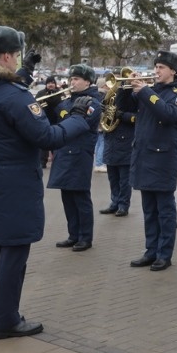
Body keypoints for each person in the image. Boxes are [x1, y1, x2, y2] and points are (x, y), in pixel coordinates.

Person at [0, 25, 92, 339]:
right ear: (6, 56)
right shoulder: (11, 95)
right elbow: (48, 136)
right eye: (17, 55)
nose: (17, 59)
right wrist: (78, 117)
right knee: (15, 250)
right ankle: (6, 321)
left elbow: (6, 93)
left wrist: (27, 71)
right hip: (16, 183)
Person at [128, 51, 177, 272]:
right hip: (144, 156)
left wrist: (145, 91)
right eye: (156, 66)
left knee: (164, 210)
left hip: (163, 159)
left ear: (173, 71)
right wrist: (127, 86)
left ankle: (164, 254)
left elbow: (168, 114)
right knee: (149, 210)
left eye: (161, 67)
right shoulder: (150, 91)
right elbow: (126, 105)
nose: (156, 71)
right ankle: (150, 250)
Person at [48, 64, 102, 252]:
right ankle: (73, 234)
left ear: (88, 81)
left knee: (80, 197)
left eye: (76, 79)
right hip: (64, 152)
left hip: (79, 154)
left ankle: (85, 237)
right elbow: (57, 122)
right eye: (71, 79)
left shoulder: (92, 102)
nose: (72, 82)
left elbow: (81, 124)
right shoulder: (66, 102)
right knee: (67, 197)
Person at [99, 79, 137, 217]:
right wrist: (104, 108)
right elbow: (105, 117)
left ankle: (123, 205)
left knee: (124, 179)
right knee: (113, 177)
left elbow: (138, 118)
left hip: (125, 141)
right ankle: (114, 202)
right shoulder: (109, 97)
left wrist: (122, 115)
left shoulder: (133, 97)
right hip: (111, 140)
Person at [35, 76, 62, 169]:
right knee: (44, 142)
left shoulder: (59, 92)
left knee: (56, 141)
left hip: (57, 120)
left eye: (52, 82)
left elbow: (62, 104)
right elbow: (36, 105)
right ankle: (42, 161)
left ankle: (57, 161)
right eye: (49, 83)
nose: (51, 84)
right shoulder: (41, 93)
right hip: (44, 120)